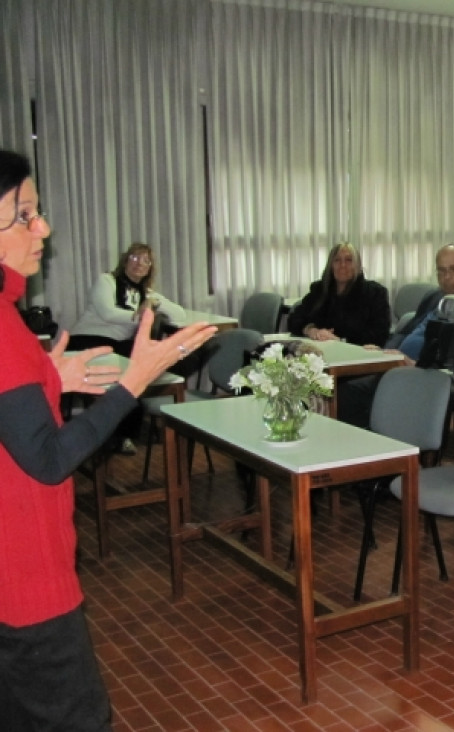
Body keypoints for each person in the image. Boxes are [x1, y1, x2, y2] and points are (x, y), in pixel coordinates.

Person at [0, 149, 216, 730]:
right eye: (24, 215)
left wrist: (49, 375)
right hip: (26, 578)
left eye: (38, 212)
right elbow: (47, 459)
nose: (42, 227)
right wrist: (133, 382)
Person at [339, 243, 454, 427]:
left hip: (423, 375)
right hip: (398, 367)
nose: (447, 278)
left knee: (350, 394)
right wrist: (383, 351)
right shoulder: (434, 296)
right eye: (441, 271)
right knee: (341, 386)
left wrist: (414, 364)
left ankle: (383, 447)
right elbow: (408, 332)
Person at [69, 242, 186, 356]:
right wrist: (140, 315)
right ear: (125, 261)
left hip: (116, 344)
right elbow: (108, 314)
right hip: (87, 338)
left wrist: (156, 303)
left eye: (146, 261)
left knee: (161, 356)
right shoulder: (107, 281)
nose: (139, 263)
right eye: (135, 258)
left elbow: (180, 315)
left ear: (149, 270)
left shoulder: (147, 294)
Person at [287, 242, 391, 346]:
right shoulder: (319, 290)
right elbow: (294, 319)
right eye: (337, 260)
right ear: (331, 265)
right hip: (319, 353)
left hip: (356, 354)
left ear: (358, 265)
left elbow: (379, 334)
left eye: (349, 260)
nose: (343, 265)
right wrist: (311, 330)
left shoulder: (375, 293)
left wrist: (340, 341)